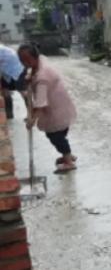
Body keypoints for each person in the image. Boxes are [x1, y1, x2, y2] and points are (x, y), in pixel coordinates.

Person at [18, 43, 77, 174]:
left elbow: (40, 104)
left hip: (55, 106)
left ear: (35, 57)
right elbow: (33, 75)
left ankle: (68, 161)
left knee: (55, 135)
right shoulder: (39, 62)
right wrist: (30, 78)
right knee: (59, 133)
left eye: (28, 60)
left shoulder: (42, 77)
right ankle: (67, 153)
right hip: (58, 101)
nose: (25, 63)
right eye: (22, 61)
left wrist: (32, 120)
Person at [0, 44, 27, 119]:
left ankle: (31, 113)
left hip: (18, 69)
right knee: (5, 92)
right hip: (6, 71)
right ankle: (9, 115)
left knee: (23, 91)